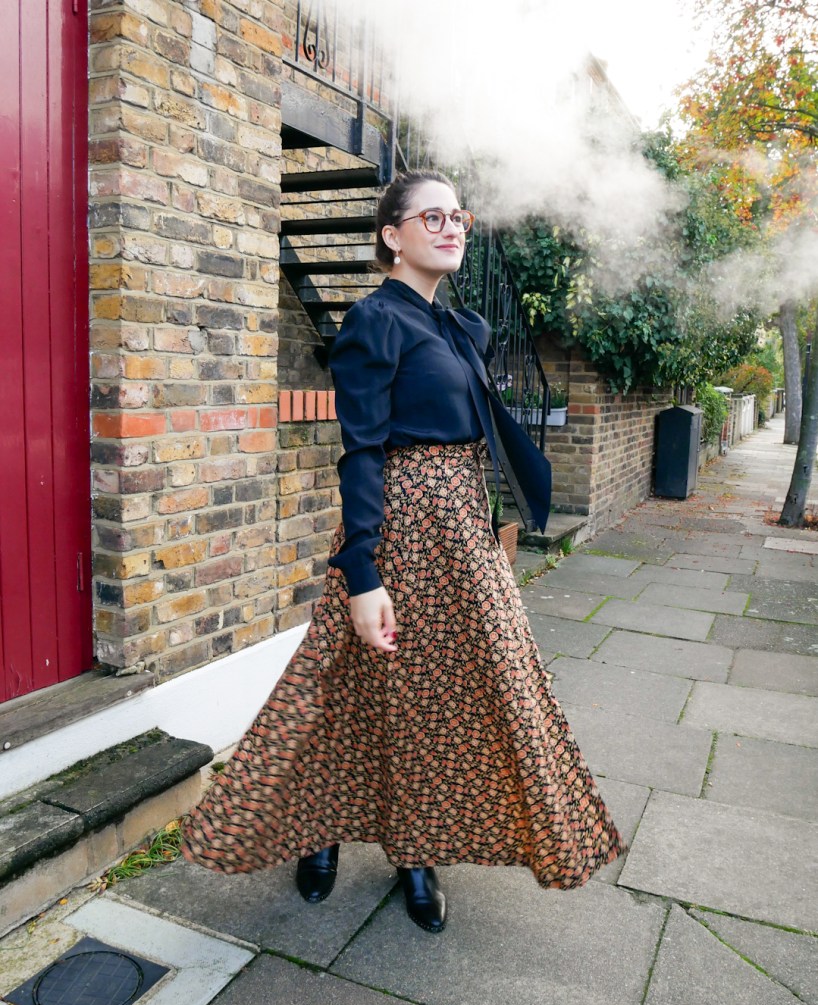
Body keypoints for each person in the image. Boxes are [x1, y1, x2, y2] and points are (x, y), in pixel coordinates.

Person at [182, 170, 625, 934]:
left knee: (443, 696)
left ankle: (416, 851)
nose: (452, 227)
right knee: (346, 688)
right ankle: (316, 833)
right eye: (432, 216)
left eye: (459, 215)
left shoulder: (461, 328)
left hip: (463, 536)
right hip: (398, 531)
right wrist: (361, 572)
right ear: (392, 234)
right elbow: (361, 452)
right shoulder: (374, 323)